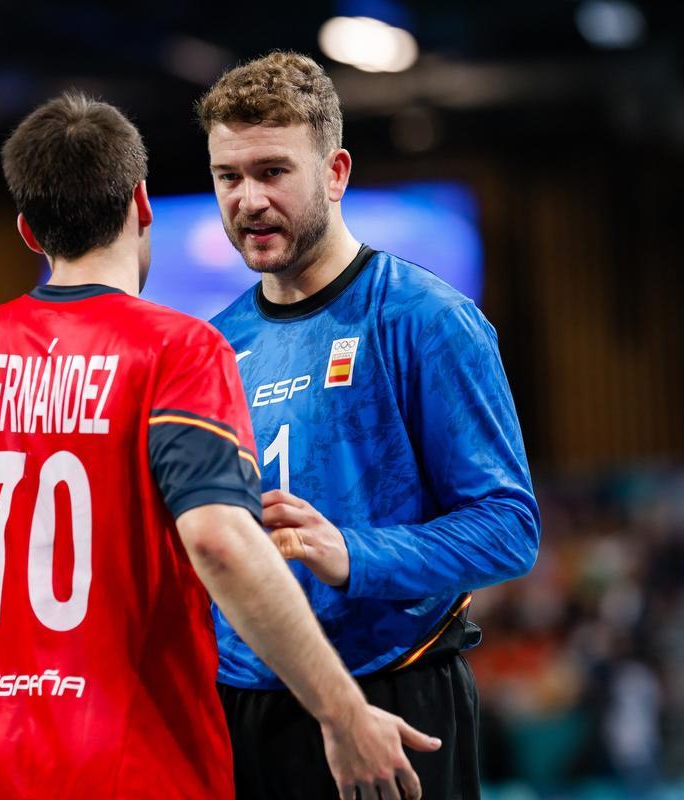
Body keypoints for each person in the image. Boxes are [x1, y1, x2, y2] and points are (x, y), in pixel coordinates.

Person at [0, 92, 440, 800]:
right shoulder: (180, 349)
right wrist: (343, 712)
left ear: (27, 230)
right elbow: (223, 543)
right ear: (141, 203)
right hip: (142, 771)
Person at [196, 51, 541, 800]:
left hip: (393, 696)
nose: (249, 200)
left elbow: (510, 529)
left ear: (335, 172)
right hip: (242, 711)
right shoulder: (211, 347)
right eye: (229, 177)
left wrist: (349, 553)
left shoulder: (425, 319)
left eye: (273, 171)